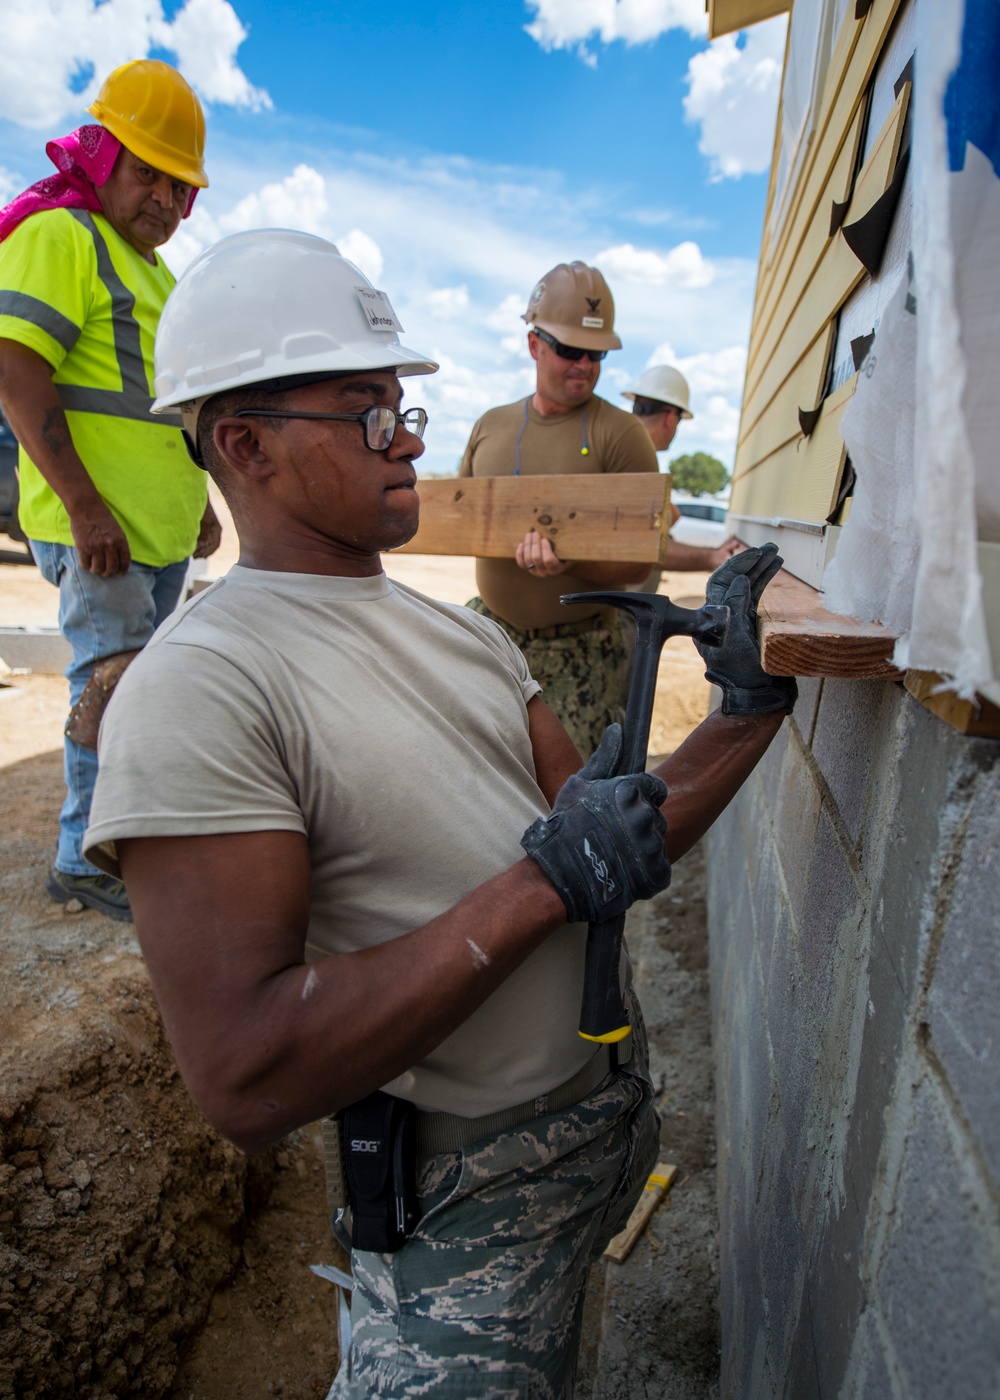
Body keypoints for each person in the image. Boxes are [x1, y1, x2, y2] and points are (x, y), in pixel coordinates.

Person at [82, 230, 796, 1398]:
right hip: (464, 1204)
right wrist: (534, 885)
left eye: (404, 402)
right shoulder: (206, 684)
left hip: (595, 1136)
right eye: (366, 412)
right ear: (245, 444)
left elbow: (609, 843)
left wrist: (750, 706)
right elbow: (244, 1070)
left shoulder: (461, 632)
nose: (408, 433)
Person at [0, 59, 220, 922]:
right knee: (113, 684)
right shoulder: (61, 238)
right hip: (101, 531)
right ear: (100, 156)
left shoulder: (159, 277)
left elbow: (162, 410)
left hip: (155, 534)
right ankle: (82, 858)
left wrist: (201, 501)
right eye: (147, 174)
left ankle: (122, 842)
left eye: (180, 186)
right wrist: (87, 507)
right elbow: (16, 371)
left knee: (143, 690)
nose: (164, 200)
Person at [458, 261, 661, 757]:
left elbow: (640, 561)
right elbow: (463, 519)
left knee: (565, 797)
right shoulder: (492, 426)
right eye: (570, 351)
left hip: (581, 652)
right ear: (534, 345)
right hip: (494, 636)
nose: (584, 366)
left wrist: (574, 564)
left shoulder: (622, 435)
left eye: (595, 355)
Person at [622, 363, 742, 577]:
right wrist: (713, 556)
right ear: (671, 418)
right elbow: (643, 545)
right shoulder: (632, 461)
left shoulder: (625, 453)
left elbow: (671, 515)